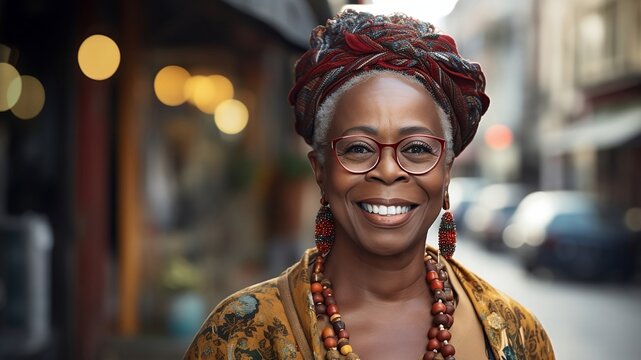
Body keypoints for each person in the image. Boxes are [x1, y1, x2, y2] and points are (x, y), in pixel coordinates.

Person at [184, 10, 554, 360]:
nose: (389, 170)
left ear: (447, 172)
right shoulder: (238, 334)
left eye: (417, 149)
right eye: (359, 148)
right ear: (320, 171)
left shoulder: (516, 332)